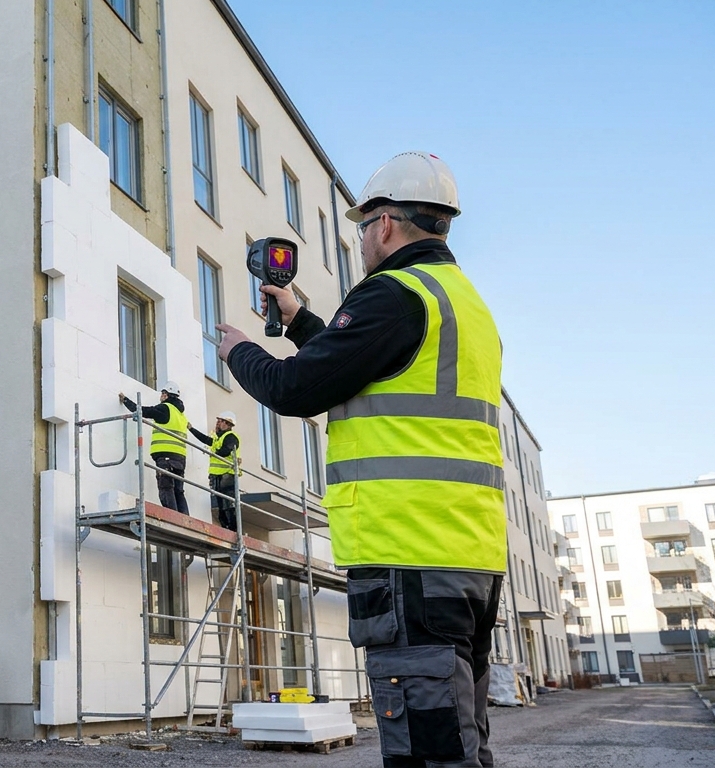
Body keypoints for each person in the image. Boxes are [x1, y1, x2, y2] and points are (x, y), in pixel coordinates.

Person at [215, 152, 507, 768]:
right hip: (469, 554)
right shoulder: (460, 302)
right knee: (461, 740)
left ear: (384, 225)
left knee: (429, 750)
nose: (361, 243)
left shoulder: (392, 294)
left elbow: (298, 389)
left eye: (361, 230)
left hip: (407, 553)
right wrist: (299, 321)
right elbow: (369, 363)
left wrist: (240, 352)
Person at [119, 383, 189, 514]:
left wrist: (126, 400)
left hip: (166, 456)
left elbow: (143, 411)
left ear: (166, 394)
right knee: (178, 491)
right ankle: (185, 519)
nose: (161, 396)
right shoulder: (181, 414)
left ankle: (173, 518)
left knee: (166, 487)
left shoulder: (165, 408)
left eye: (162, 393)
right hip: (180, 457)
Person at [188, 411, 240, 531]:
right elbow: (205, 439)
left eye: (220, 421)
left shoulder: (231, 437)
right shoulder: (219, 439)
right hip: (217, 476)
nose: (217, 423)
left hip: (227, 475)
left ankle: (234, 531)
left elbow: (226, 450)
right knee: (221, 507)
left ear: (228, 424)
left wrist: (213, 453)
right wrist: (191, 429)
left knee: (229, 506)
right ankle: (227, 529)